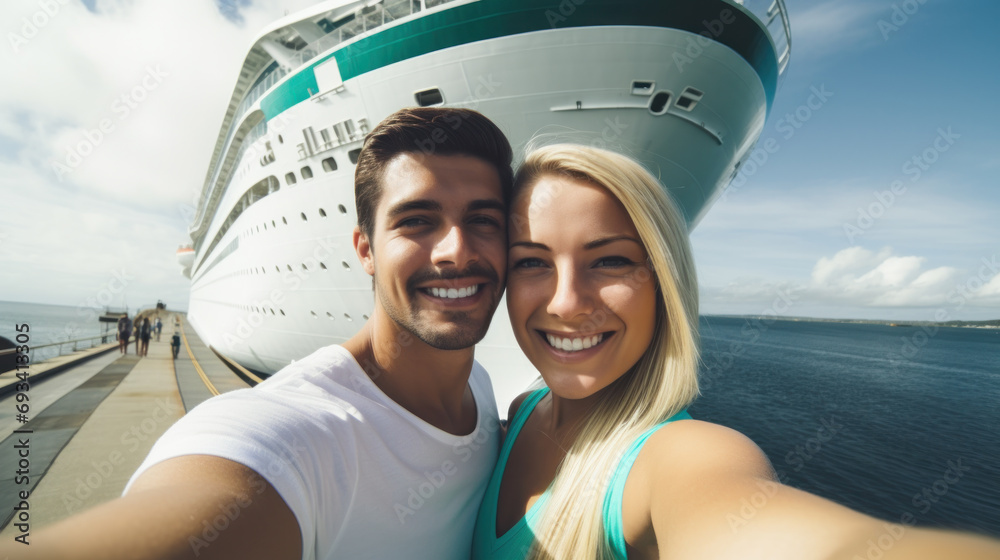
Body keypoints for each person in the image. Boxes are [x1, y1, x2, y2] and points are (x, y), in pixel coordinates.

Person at [4, 106, 513, 560]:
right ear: (364, 251)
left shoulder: (481, 390)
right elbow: (215, 491)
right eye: (417, 221)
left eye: (483, 220)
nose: (457, 251)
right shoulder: (295, 435)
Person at [472, 144, 1000, 560]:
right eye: (531, 263)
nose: (566, 303)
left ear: (664, 284)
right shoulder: (521, 412)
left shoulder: (683, 456)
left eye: (610, 261)